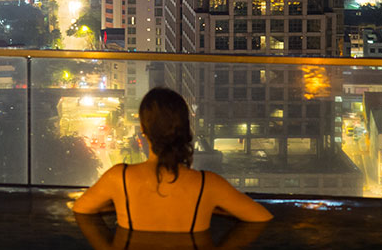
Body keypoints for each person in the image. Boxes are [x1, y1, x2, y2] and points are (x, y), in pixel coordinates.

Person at [73, 87, 272, 231]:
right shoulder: (208, 185)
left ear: (143, 129)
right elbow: (262, 217)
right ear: (185, 129)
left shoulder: (119, 179)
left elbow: (81, 209)